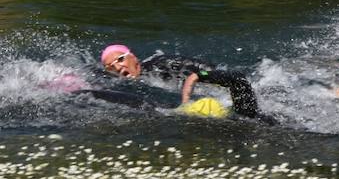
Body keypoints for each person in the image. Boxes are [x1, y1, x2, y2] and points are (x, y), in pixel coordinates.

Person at [99, 44, 267, 120]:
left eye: (120, 60)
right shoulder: (123, 86)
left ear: (133, 57)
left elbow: (212, 70)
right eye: (111, 67)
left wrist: (197, 76)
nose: (118, 68)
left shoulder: (161, 64)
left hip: (215, 90)